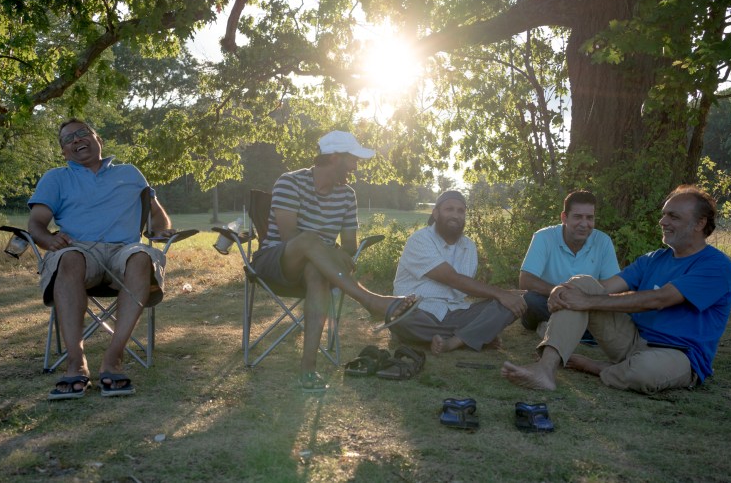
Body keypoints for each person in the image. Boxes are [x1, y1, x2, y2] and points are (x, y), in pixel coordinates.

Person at [502, 185, 731, 394]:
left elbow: (660, 299)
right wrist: (563, 289)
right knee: (582, 283)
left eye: (673, 216)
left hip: (679, 354)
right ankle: (545, 370)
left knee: (644, 371)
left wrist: (588, 301)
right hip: (633, 340)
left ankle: (596, 367)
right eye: (664, 214)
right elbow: (603, 287)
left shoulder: (716, 266)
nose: (663, 221)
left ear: (700, 223)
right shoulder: (652, 259)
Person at [252, 130, 421, 392]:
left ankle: (308, 370)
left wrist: (338, 253)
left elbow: (350, 246)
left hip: (317, 267)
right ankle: (371, 301)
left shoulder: (347, 195)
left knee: (317, 272)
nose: (355, 167)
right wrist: (331, 251)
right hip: (276, 261)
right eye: (352, 159)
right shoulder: (290, 182)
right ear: (333, 158)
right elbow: (289, 237)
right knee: (308, 240)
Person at [28, 118, 176, 400]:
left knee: (142, 257)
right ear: (63, 151)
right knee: (68, 258)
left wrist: (162, 230)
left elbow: (157, 214)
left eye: (83, 133)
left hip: (125, 250)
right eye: (68, 138)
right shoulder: (56, 178)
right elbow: (36, 224)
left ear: (99, 140)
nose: (76, 139)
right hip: (81, 251)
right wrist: (48, 240)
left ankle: (113, 358)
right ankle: (76, 362)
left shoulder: (130, 173)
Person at [390, 190, 527, 355]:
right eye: (449, 209)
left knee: (515, 302)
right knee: (402, 318)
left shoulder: (469, 247)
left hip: (456, 313)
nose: (455, 215)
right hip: (420, 311)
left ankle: (453, 342)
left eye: (460, 211)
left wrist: (503, 296)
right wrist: (499, 293)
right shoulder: (420, 240)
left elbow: (463, 290)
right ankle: (477, 335)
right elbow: (453, 279)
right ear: (435, 213)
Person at [519, 190, 619, 333]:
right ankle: (579, 330)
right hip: (550, 301)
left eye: (589, 218)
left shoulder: (603, 241)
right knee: (531, 299)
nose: (584, 224)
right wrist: (559, 292)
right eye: (578, 217)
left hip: (585, 304)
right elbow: (526, 280)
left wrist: (584, 300)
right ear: (564, 218)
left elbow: (614, 284)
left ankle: (555, 327)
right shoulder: (543, 237)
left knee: (621, 307)